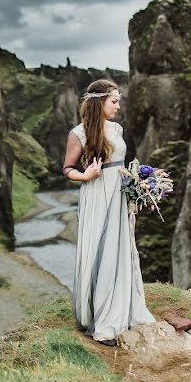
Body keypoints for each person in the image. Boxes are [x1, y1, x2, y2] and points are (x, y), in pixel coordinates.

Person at [63, 79, 156, 346]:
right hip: (96, 193)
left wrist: (135, 192)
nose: (118, 105)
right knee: (101, 249)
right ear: (99, 101)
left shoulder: (117, 128)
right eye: (114, 100)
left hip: (119, 193)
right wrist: (85, 175)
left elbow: (122, 165)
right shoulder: (79, 133)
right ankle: (103, 318)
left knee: (120, 249)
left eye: (118, 100)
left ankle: (124, 308)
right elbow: (68, 168)